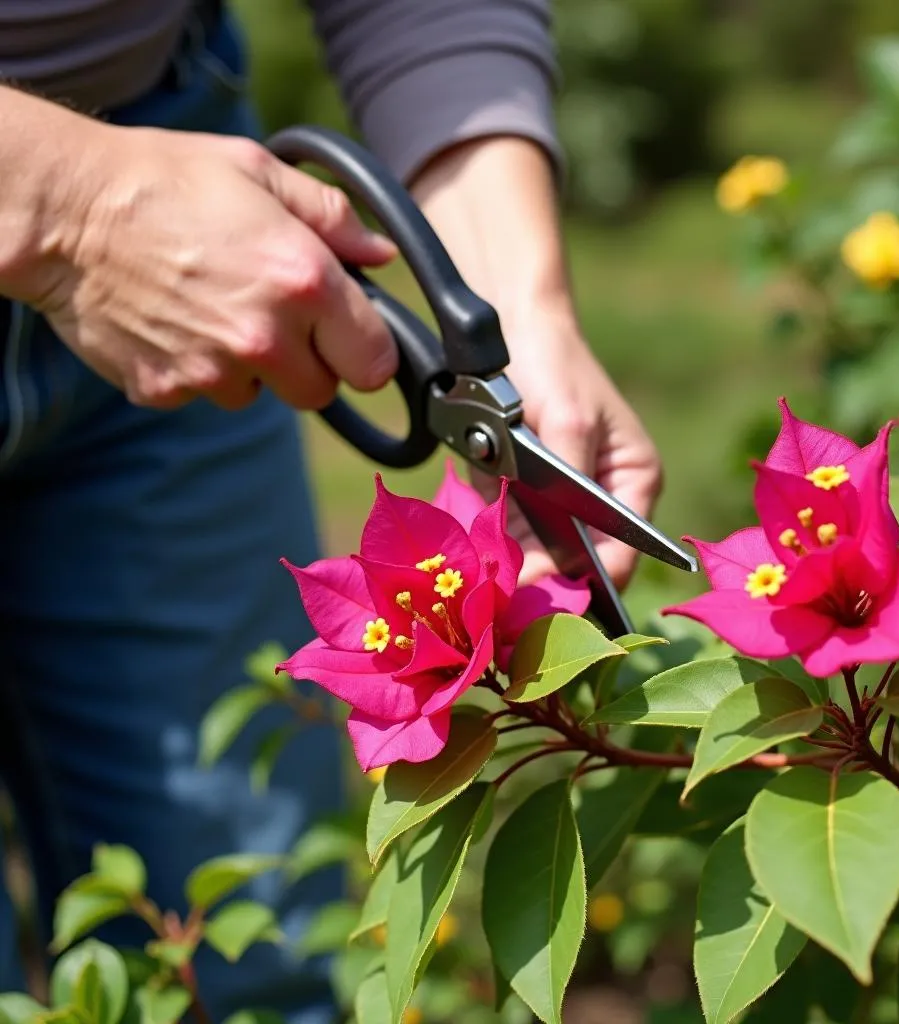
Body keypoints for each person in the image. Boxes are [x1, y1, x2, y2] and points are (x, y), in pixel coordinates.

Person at [0, 0, 663, 1019]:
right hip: (112, 207)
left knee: (258, 949)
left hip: (181, 184)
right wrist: (69, 207)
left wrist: (507, 302)